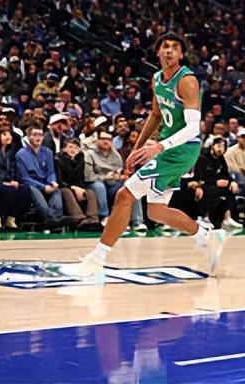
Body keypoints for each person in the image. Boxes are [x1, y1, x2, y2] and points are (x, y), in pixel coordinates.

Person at [62, 33, 225, 281]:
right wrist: (136, 148)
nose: (169, 51)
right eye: (165, 46)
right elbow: (156, 116)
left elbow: (193, 129)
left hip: (182, 149)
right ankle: (207, 236)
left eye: (175, 47)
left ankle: (96, 260)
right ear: (157, 51)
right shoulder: (157, 78)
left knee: (124, 195)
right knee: (156, 212)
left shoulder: (187, 81)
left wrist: (158, 147)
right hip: (167, 148)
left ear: (181, 54)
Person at [15, 124, 66, 225]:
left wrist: (52, 182)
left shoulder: (48, 152)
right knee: (32, 189)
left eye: (40, 135)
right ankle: (51, 218)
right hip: (32, 185)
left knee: (56, 189)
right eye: (35, 135)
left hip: (46, 183)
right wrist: (43, 187)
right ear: (28, 136)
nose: (38, 138)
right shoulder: (20, 154)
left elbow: (51, 172)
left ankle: (55, 218)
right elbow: (24, 178)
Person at [188, 136, 242, 229]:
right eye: (219, 146)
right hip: (200, 184)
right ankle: (203, 217)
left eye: (223, 147)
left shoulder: (221, 159)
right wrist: (215, 182)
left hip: (214, 184)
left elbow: (225, 175)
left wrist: (232, 182)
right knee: (211, 190)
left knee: (229, 190)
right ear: (213, 145)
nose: (221, 149)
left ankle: (227, 219)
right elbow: (199, 177)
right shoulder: (202, 158)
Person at [55, 139, 100, 227]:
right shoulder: (58, 159)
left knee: (90, 192)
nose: (73, 150)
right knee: (66, 191)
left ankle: (92, 218)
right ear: (64, 149)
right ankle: (78, 217)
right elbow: (59, 180)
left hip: (76, 187)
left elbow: (80, 179)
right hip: (63, 187)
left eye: (76, 148)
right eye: (70, 147)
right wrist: (73, 187)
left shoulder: (80, 159)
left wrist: (80, 189)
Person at [84, 129, 125, 225]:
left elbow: (119, 169)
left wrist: (119, 176)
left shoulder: (115, 154)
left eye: (109, 139)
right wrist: (106, 177)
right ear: (97, 140)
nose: (106, 141)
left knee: (127, 186)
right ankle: (104, 216)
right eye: (103, 139)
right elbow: (88, 176)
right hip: (94, 183)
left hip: (112, 183)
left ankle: (134, 221)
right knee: (100, 187)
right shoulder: (89, 153)